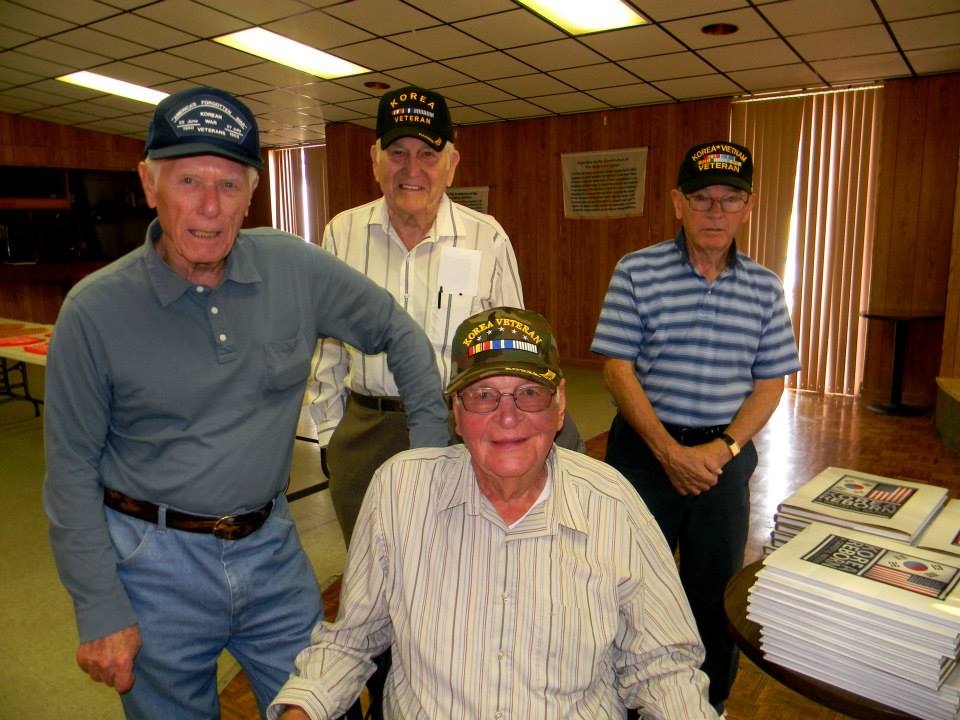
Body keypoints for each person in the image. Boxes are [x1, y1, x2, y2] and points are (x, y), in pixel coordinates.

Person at [42, 86, 449, 720]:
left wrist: (428, 458)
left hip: (273, 551)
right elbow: (69, 471)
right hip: (154, 564)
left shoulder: (293, 268)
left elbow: (400, 332)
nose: (209, 207)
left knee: (325, 707)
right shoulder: (94, 311)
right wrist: (98, 606)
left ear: (252, 193)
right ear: (149, 185)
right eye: (189, 181)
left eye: (229, 185)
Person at [269, 307, 718, 720]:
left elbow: (663, 667)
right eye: (484, 395)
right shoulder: (400, 490)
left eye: (529, 393)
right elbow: (352, 640)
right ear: (457, 412)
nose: (508, 417)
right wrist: (302, 710)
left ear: (559, 404)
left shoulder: (612, 501)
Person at [306, 84, 580, 545]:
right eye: (397, 152)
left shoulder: (486, 237)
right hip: (367, 431)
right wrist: (333, 435)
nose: (411, 169)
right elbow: (324, 346)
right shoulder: (342, 233)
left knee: (455, 565)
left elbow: (516, 349)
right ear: (375, 159)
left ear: (452, 164)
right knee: (373, 570)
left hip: (461, 431)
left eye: (428, 155)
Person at [590, 141, 801, 713]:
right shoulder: (636, 270)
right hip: (644, 453)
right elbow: (617, 369)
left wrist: (722, 448)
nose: (715, 212)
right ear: (677, 203)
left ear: (748, 207)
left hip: (722, 462)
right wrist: (666, 451)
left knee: (713, 592)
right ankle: (627, 701)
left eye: (729, 199)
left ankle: (710, 703)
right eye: (702, 198)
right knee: (628, 587)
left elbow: (769, 384)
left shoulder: (763, 287)